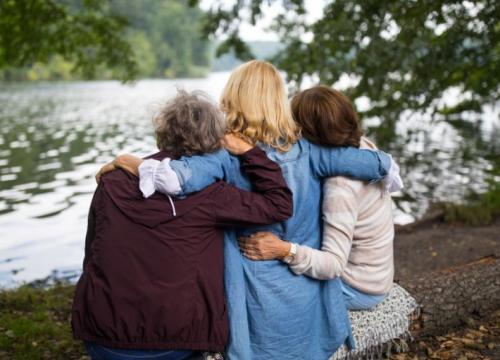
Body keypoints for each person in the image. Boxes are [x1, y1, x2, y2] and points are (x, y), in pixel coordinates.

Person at [101, 60, 402, 360]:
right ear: (278, 102)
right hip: (307, 300)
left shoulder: (222, 155)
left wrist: (128, 161)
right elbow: (379, 164)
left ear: (233, 97)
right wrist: (388, 167)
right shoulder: (309, 151)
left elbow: (173, 180)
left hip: (256, 306)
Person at [71, 90, 294, 360]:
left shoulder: (111, 180)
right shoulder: (213, 195)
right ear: (214, 140)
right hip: (176, 341)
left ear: (163, 133)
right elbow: (279, 204)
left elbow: (92, 254)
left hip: (103, 337)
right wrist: (250, 152)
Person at [238, 86, 397, 310]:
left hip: (356, 287)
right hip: (375, 274)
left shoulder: (340, 188)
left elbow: (333, 265)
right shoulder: (362, 150)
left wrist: (282, 249)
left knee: (263, 286)